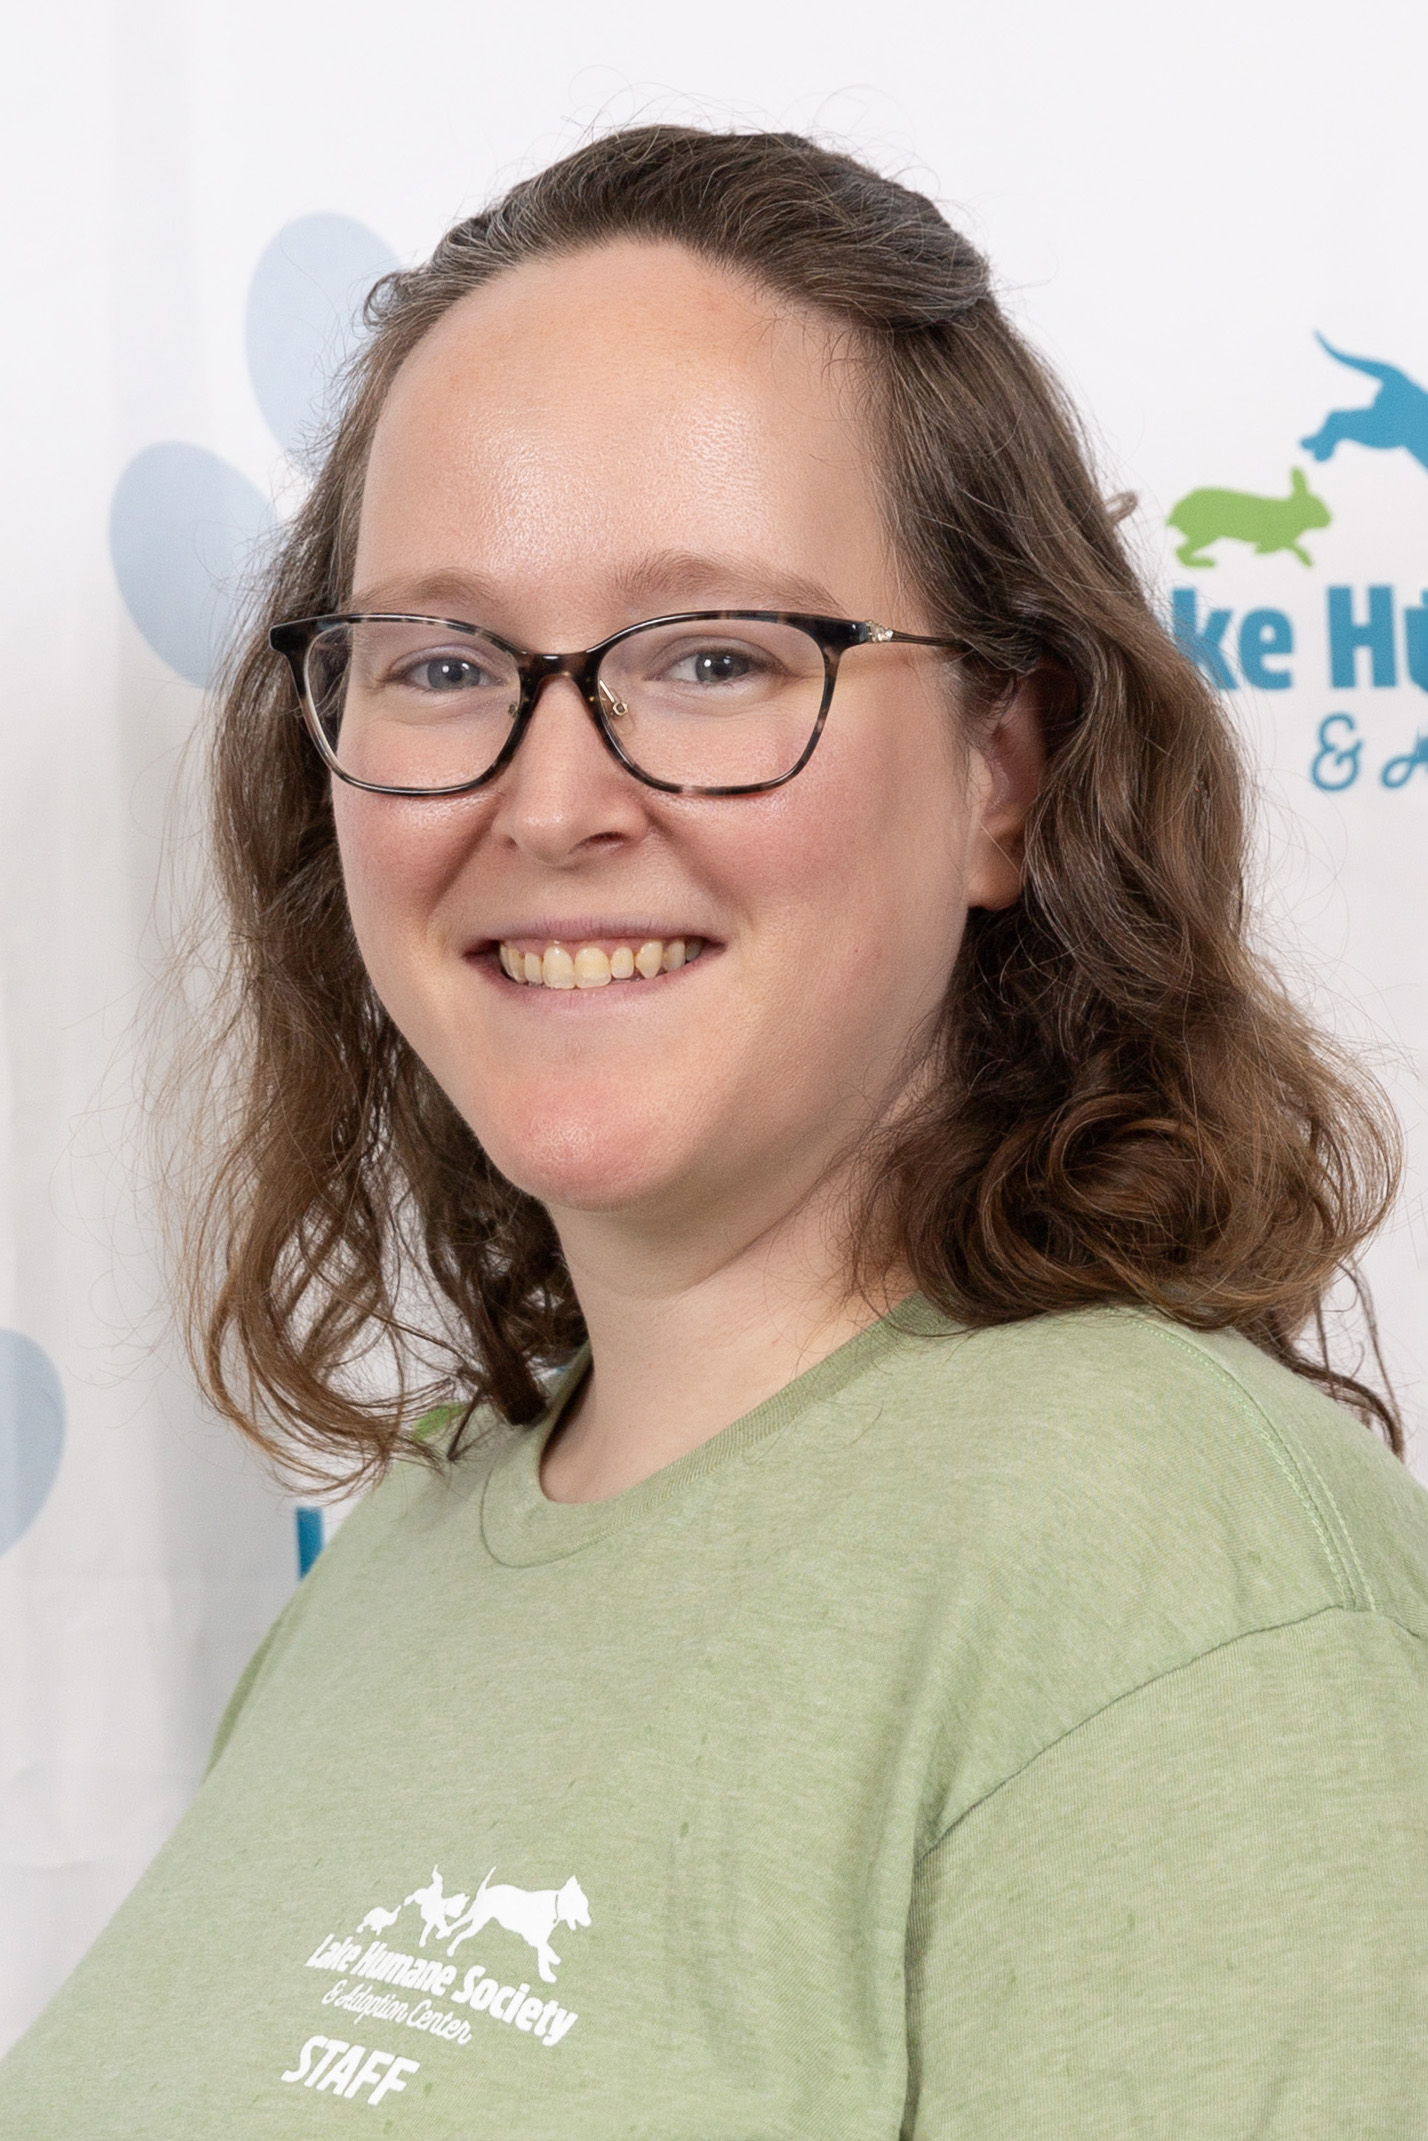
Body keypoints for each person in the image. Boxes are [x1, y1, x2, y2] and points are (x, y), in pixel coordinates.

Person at [3, 124, 1426, 2138]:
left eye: (713, 658)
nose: (551, 801)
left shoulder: (1185, 1588)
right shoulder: (407, 1551)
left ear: (1005, 770)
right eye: (440, 662)